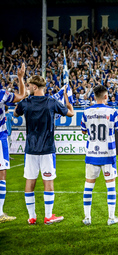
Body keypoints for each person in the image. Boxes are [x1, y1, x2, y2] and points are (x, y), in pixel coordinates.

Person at [14, 74, 74, 225]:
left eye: (28, 86)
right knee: (48, 181)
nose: (27, 88)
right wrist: (67, 98)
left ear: (34, 87)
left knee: (30, 181)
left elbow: (15, 113)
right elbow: (71, 113)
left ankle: (32, 217)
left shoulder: (25, 103)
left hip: (31, 149)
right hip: (47, 148)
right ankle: (48, 216)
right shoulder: (52, 102)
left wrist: (24, 98)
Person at [80, 85, 118, 226]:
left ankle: (87, 218)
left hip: (92, 153)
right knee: (110, 186)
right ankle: (111, 218)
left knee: (88, 186)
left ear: (94, 96)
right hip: (108, 154)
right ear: (106, 96)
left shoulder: (86, 111)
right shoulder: (112, 111)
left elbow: (83, 131)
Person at [0, 63, 26, 223]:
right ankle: (0, 213)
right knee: (2, 174)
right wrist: (21, 78)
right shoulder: (1, 94)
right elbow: (22, 95)